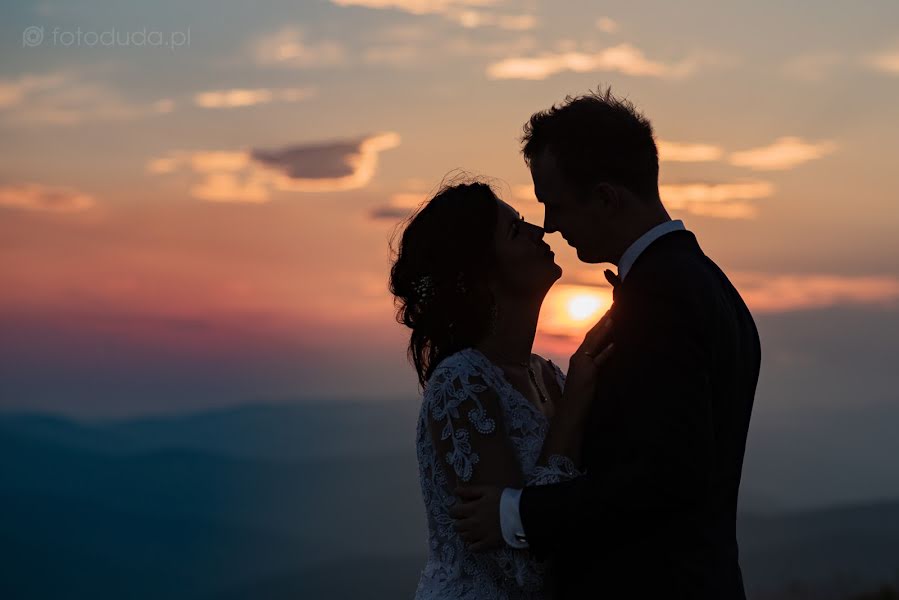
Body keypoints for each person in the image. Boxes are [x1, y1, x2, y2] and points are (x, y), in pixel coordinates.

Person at [449, 86, 762, 599]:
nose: (549, 225)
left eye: (554, 204)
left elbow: (664, 477)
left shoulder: (663, 296)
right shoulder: (710, 285)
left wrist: (514, 511)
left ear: (605, 198)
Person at [389, 178, 615, 599]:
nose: (539, 232)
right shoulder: (462, 385)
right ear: (482, 276)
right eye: (516, 230)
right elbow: (524, 570)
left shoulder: (547, 375)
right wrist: (577, 400)